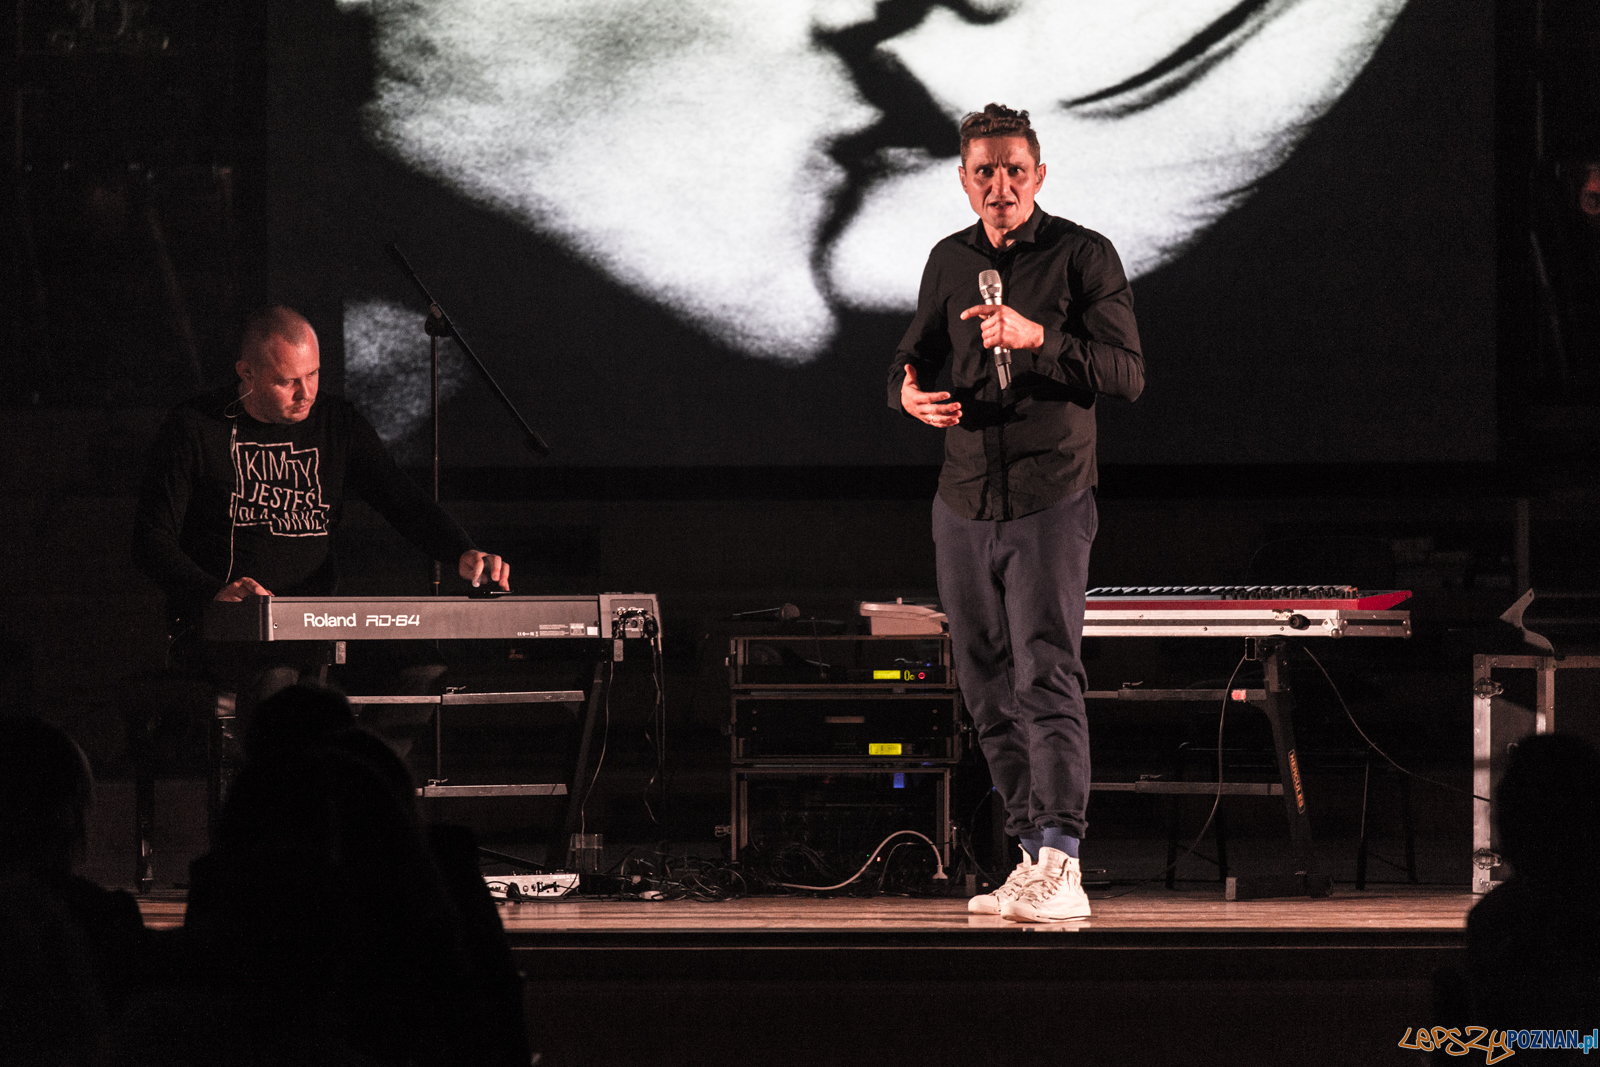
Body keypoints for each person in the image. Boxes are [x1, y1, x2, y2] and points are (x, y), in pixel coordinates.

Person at [889, 104, 1144, 923]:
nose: (999, 185)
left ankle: (1065, 859)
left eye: (1013, 169)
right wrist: (905, 391)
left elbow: (1127, 373)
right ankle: (1031, 851)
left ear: (1039, 173)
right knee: (984, 684)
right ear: (963, 180)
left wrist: (1040, 337)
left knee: (1045, 670)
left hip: (1048, 492)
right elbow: (915, 349)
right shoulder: (950, 259)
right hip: (964, 496)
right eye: (983, 172)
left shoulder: (1082, 255)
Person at [133, 306, 509, 696]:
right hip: (220, 627)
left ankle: (353, 760)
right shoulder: (195, 427)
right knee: (279, 681)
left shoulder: (336, 422)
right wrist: (213, 592)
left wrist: (462, 550)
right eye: (287, 381)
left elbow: (401, 500)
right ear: (246, 372)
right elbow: (150, 540)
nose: (306, 393)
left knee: (424, 670)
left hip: (316, 624)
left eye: (312, 374)